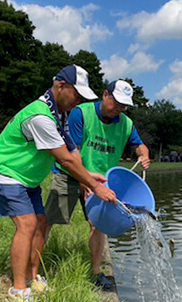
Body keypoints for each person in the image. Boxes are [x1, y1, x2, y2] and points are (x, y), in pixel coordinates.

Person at [0, 65, 117, 302]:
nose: (77, 102)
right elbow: (63, 160)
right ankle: (18, 289)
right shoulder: (41, 117)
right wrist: (93, 187)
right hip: (6, 172)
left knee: (40, 223)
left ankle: (33, 277)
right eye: (76, 95)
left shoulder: (60, 114)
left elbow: (72, 151)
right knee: (27, 225)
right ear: (61, 86)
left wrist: (87, 175)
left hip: (27, 178)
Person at [44, 79, 150, 290]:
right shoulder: (81, 114)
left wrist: (144, 155)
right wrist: (85, 180)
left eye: (124, 106)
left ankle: (96, 272)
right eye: (116, 102)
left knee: (98, 224)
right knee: (50, 220)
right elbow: (71, 151)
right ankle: (35, 266)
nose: (119, 109)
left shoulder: (126, 124)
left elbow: (139, 145)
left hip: (101, 181)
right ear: (105, 95)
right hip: (69, 174)